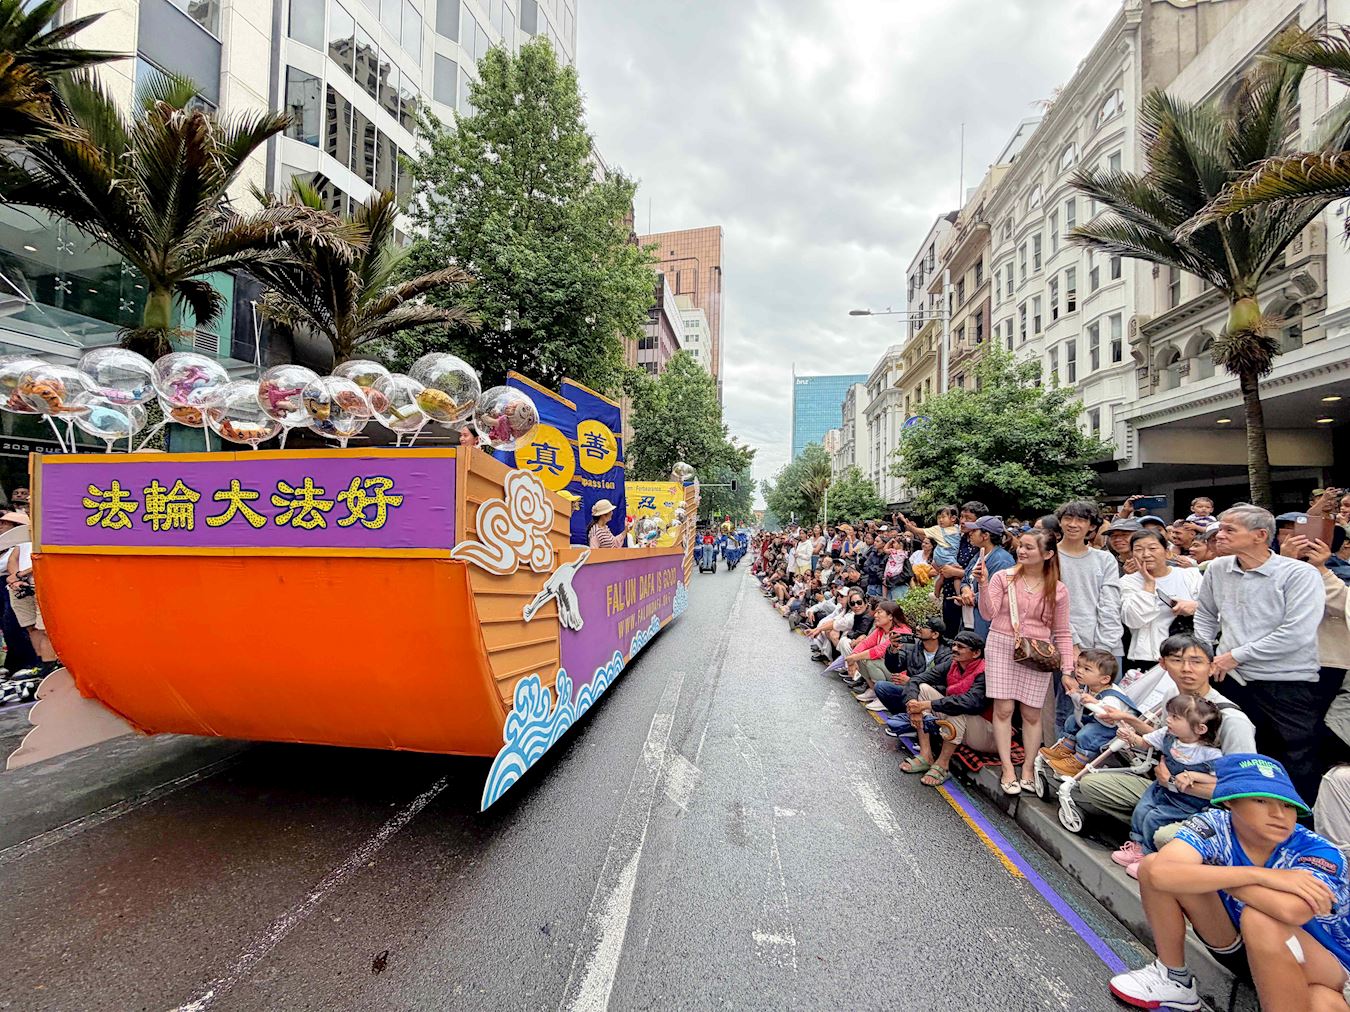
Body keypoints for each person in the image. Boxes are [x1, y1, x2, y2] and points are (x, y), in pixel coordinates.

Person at [1107, 755, 1350, 1012]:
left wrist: (1211, 877)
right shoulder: (1214, 824)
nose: (1279, 814)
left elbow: (1292, 910)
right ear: (1230, 801)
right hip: (1239, 943)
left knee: (1263, 923)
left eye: (1287, 805)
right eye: (1261, 801)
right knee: (1152, 863)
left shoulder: (1317, 850)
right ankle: (1173, 978)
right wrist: (1258, 875)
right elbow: (1160, 873)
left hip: (1327, 965)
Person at [1075, 634, 1259, 855]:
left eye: (1196, 661)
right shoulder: (1173, 696)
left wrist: (1173, 782)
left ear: (1211, 667)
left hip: (1208, 806)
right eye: (1177, 660)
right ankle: (1151, 829)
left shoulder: (1232, 720)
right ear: (1162, 664)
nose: (1186, 669)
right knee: (1093, 785)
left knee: (1164, 836)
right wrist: (1128, 720)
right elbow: (1165, 737)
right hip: (1165, 792)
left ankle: (1174, 837)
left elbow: (1243, 789)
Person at [1195, 505, 1327, 804]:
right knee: (1235, 756)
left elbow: (1297, 632)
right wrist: (1205, 651)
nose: (1219, 535)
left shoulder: (1299, 573)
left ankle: (1295, 823)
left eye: (1230, 530)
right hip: (1230, 680)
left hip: (1286, 684)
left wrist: (1236, 655)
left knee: (1293, 761)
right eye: (1220, 528)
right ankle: (1238, 817)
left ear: (1260, 535)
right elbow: (1205, 614)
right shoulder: (1217, 568)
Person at [977, 527, 1074, 795]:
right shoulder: (1003, 577)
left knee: (1032, 713)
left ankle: (1028, 768)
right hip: (1001, 644)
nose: (1021, 551)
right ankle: (1008, 767)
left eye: (1029, 547)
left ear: (1048, 554)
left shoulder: (1059, 589)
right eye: (1021, 545)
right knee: (1004, 709)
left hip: (1038, 652)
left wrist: (1067, 669)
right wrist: (983, 584)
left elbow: (1062, 632)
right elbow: (987, 614)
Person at [1115, 694, 1224, 874]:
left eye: (1175, 717)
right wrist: (1131, 737)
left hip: (1186, 801)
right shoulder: (1167, 735)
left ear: (1200, 728)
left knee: (1155, 818)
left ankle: (1148, 856)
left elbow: (1217, 779)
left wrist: (1194, 775)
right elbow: (1144, 743)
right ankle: (1137, 845)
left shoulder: (1210, 754)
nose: (1168, 720)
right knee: (1142, 809)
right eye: (1170, 715)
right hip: (1160, 789)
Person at [1054, 500, 1124, 737]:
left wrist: (1103, 650)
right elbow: (1051, 603)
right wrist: (1072, 646)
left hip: (1105, 646)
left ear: (1092, 526)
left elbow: (1110, 604)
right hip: (1066, 645)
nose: (1073, 524)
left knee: (1106, 712)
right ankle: (1061, 755)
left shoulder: (1105, 559)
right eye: (1068, 518)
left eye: (1081, 520)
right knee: (1066, 711)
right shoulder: (1050, 557)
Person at [897, 632, 994, 787]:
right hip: (963, 725)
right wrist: (914, 705)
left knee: (955, 708)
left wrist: (927, 705)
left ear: (976, 653)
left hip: (986, 733)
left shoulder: (985, 672)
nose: (954, 649)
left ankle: (943, 764)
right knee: (923, 689)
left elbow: (970, 702)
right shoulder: (952, 664)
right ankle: (926, 755)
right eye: (954, 645)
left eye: (960, 647)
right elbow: (916, 679)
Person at [1040, 649, 1133, 777]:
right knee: (1072, 720)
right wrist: (1076, 695)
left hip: (1115, 729)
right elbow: (1081, 706)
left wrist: (1096, 703)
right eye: (1078, 666)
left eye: (1086, 669)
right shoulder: (1090, 687)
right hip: (1098, 721)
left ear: (1104, 679)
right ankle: (1066, 748)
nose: (1079, 671)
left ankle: (1080, 761)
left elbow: (1111, 718)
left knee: (1087, 733)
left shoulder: (1112, 697)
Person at [1120, 529, 1202, 673]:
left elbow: (1214, 609)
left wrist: (1195, 607)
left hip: (1190, 653)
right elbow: (1133, 620)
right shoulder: (1127, 582)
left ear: (1167, 552)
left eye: (1152, 548)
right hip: (1149, 658)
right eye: (1138, 550)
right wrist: (1149, 584)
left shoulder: (1190, 575)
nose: (1146, 554)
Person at [958, 516, 1014, 638]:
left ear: (985, 536)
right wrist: (965, 590)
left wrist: (970, 598)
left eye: (974, 530)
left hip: (986, 625)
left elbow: (996, 594)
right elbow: (965, 579)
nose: (970, 533)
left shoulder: (1002, 561)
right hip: (970, 621)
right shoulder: (979, 555)